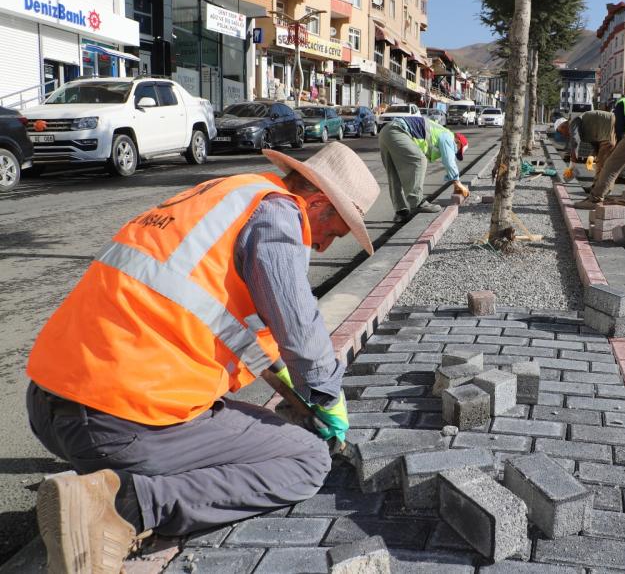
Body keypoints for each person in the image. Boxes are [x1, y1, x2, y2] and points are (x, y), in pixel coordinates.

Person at [25, 142, 380, 573]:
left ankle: (108, 479)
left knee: (251, 422)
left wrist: (295, 391)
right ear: (318, 203)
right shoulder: (278, 215)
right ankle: (119, 509)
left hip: (50, 406)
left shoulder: (224, 195)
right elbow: (299, 324)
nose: (322, 247)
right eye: (334, 232)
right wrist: (326, 395)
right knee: (307, 460)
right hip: (116, 423)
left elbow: (221, 320)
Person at [379, 115, 470, 223]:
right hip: (398, 130)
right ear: (458, 142)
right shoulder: (448, 136)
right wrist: (457, 181)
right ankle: (417, 203)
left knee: (394, 174)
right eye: (457, 151)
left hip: (386, 132)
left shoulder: (439, 132)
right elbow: (449, 160)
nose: (455, 153)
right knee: (419, 160)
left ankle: (401, 211)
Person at [569, 109, 617, 175]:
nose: (563, 135)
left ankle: (599, 183)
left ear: (563, 126)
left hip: (608, 126)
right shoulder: (586, 126)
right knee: (602, 159)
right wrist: (591, 156)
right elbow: (595, 143)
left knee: (601, 161)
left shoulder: (573, 123)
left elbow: (575, 142)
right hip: (606, 129)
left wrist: (571, 167)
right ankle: (599, 182)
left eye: (560, 132)